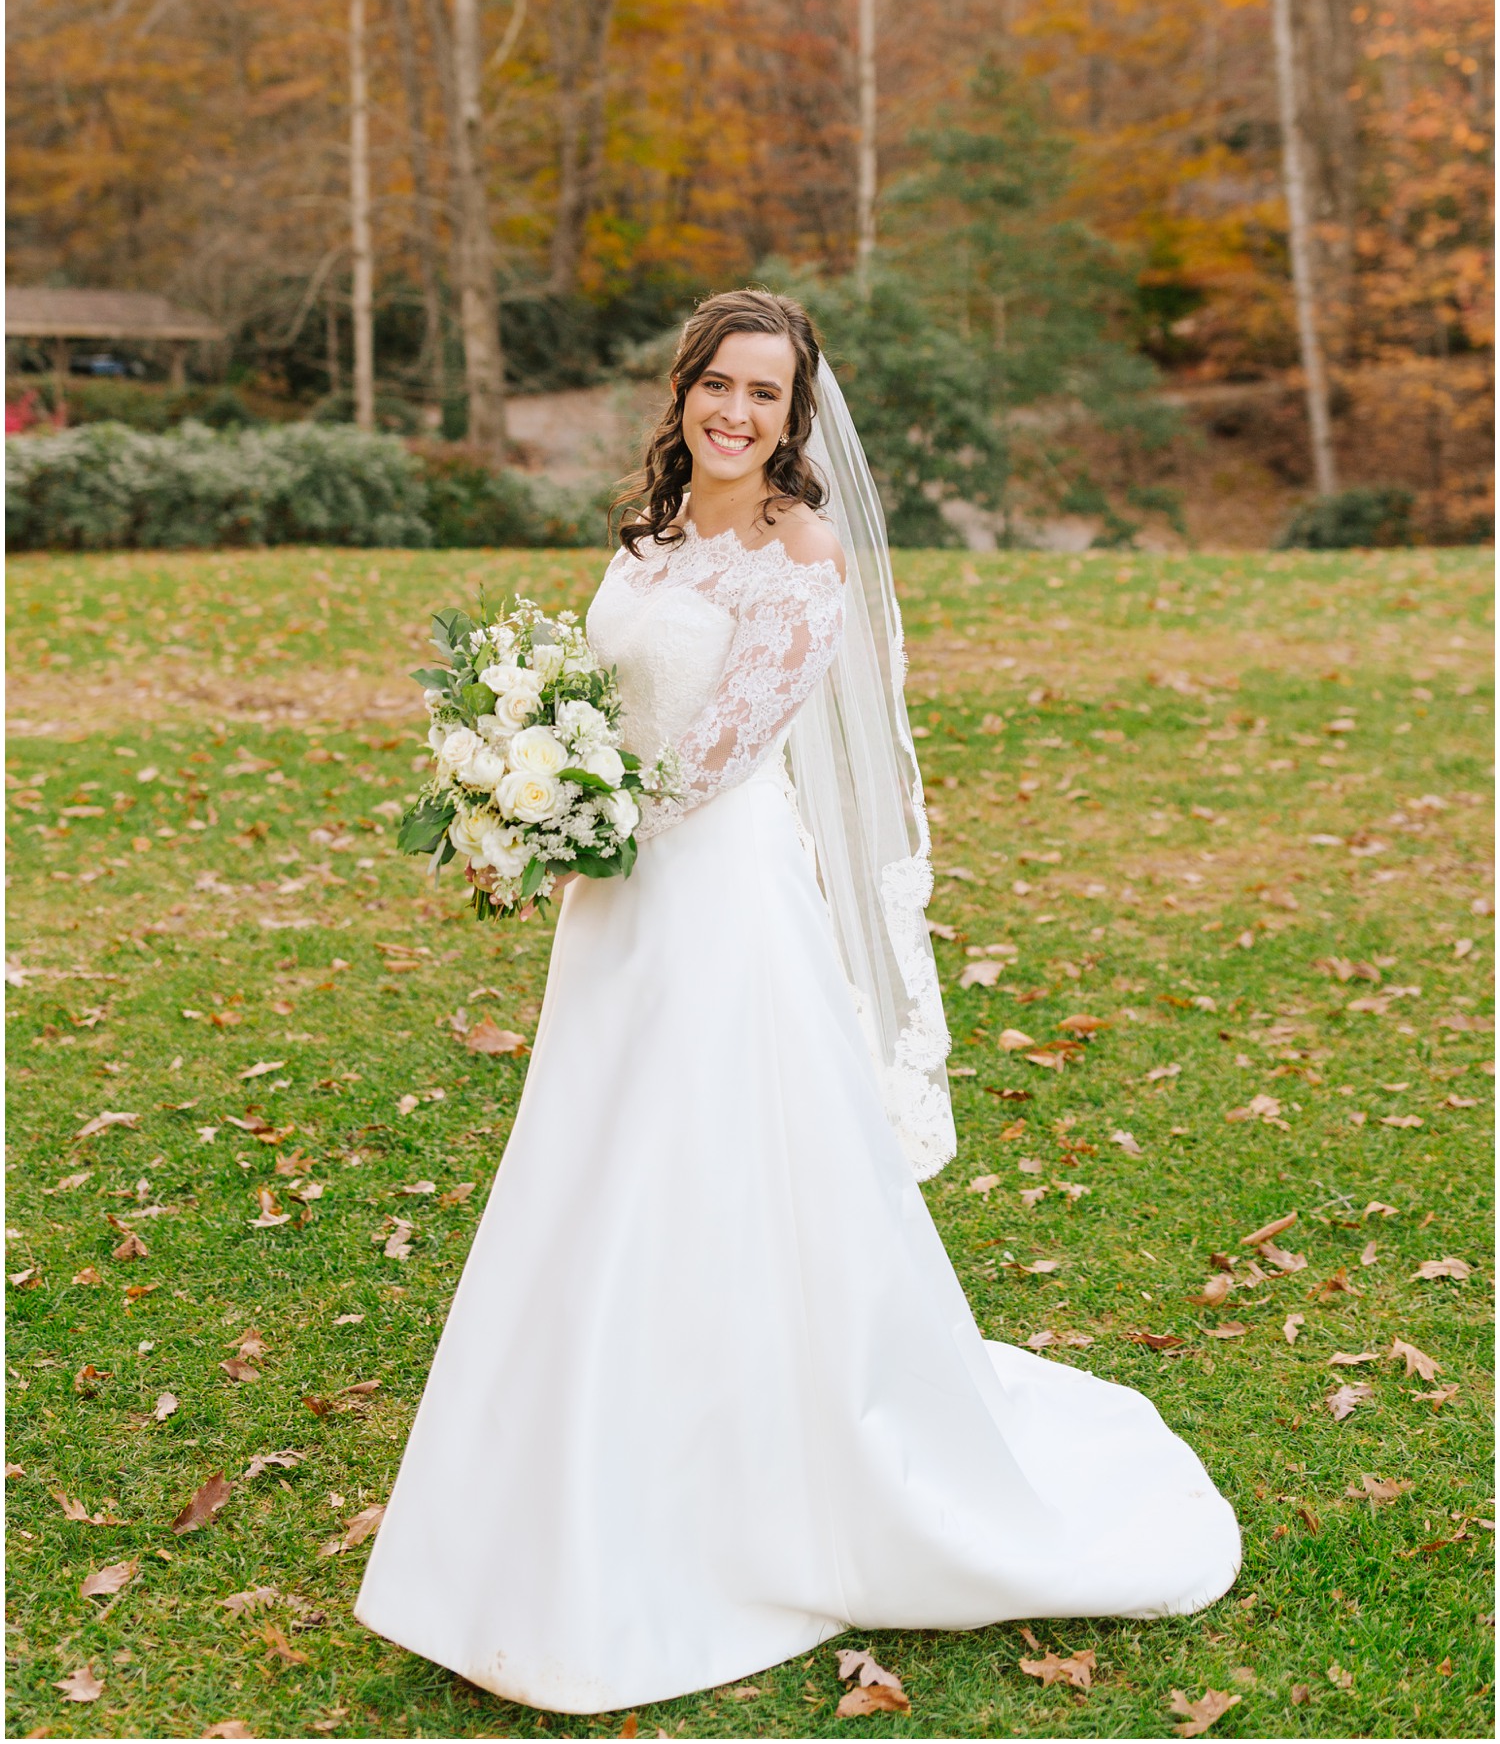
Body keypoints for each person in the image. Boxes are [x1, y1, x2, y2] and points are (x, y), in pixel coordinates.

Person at [354, 288, 1240, 1714]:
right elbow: (604, 694)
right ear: (685, 390)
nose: (739, 413)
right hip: (614, 900)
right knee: (590, 1165)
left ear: (793, 415)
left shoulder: (800, 558)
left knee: (696, 1164)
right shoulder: (643, 537)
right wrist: (517, 775)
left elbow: (714, 756)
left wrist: (568, 817)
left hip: (712, 900)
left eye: (768, 394)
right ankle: (564, 1465)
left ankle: (737, 1480)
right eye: (721, 384)